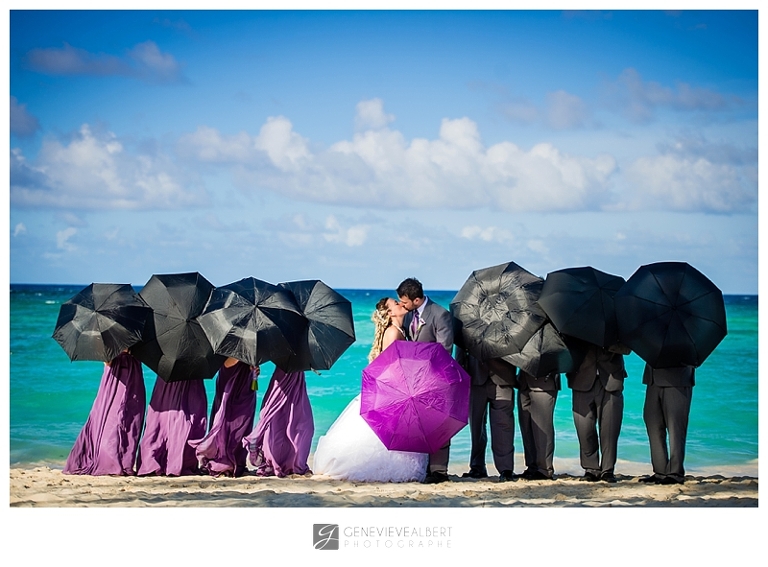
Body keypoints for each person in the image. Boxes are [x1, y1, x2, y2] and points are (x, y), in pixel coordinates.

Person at [312, 297, 429, 482]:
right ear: (390, 313)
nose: (400, 304)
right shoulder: (392, 332)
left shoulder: (400, 330)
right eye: (396, 303)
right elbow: (391, 366)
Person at [397, 277, 455, 483]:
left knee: (438, 424)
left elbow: (444, 349)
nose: (401, 305)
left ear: (416, 299)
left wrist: (426, 372)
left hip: (436, 378)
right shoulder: (409, 316)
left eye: (404, 301)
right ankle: (425, 467)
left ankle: (439, 471)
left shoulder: (440, 315)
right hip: (415, 380)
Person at [63, 350, 145, 476]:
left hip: (120, 372)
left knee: (116, 415)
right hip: (129, 371)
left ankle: (117, 461)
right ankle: (119, 462)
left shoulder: (109, 337)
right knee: (126, 416)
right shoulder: (137, 333)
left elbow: (106, 361)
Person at [566, 344, 627, 483]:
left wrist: (607, 342)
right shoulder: (577, 324)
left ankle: (607, 470)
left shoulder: (618, 323)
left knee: (610, 430)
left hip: (611, 379)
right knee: (584, 428)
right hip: (581, 378)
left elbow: (627, 348)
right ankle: (590, 468)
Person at [188, 358, 259, 477]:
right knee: (228, 422)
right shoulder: (230, 345)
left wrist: (253, 365)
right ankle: (222, 461)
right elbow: (227, 363)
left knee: (244, 423)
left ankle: (238, 462)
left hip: (246, 384)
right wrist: (244, 357)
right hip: (230, 382)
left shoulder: (247, 348)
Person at [455, 349, 517, 481]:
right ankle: (477, 467)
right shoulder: (468, 326)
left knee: (504, 424)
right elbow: (461, 345)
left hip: (503, 376)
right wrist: (460, 373)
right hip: (475, 377)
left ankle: (506, 469)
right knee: (476, 426)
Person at [243, 366, 314, 478]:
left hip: (294, 376)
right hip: (286, 374)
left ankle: (284, 460)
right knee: (279, 418)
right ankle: (278, 460)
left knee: (290, 420)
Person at [137, 376, 208, 476]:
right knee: (186, 417)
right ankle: (176, 463)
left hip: (166, 378)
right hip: (190, 377)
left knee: (161, 419)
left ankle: (153, 461)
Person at [639, 364, 695, 485]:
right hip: (653, 380)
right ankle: (660, 471)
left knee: (676, 428)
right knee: (652, 423)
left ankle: (675, 473)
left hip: (677, 381)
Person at [517, 369, 560, 480]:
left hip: (544, 383)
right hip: (523, 382)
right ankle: (532, 466)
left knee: (543, 427)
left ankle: (545, 469)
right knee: (526, 427)